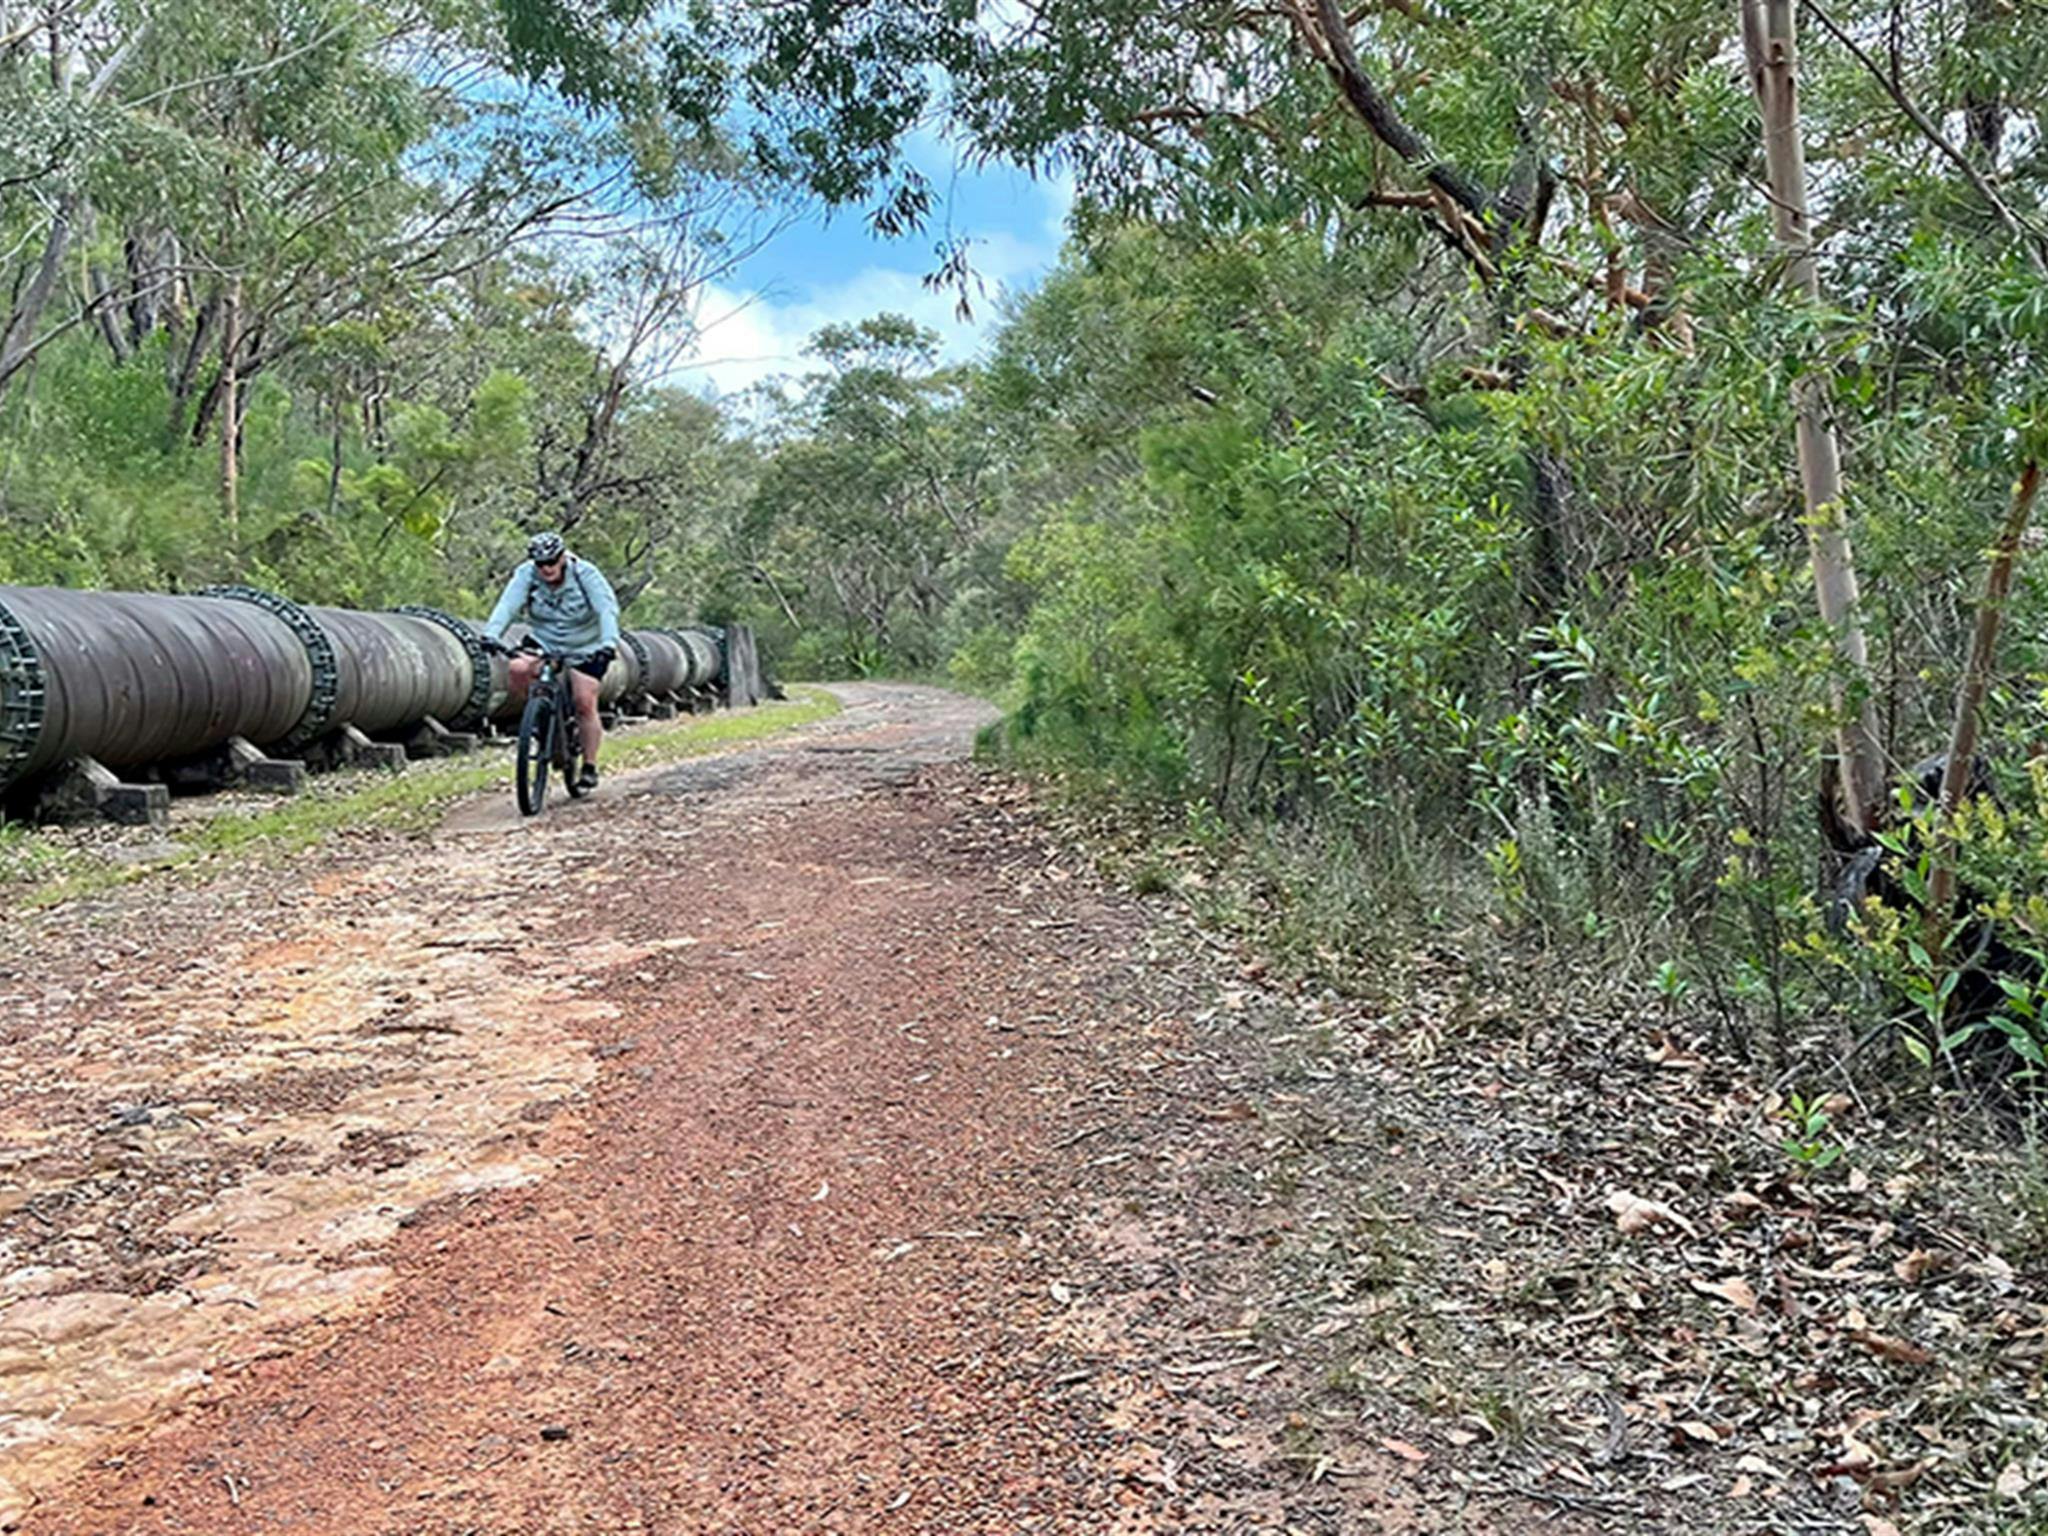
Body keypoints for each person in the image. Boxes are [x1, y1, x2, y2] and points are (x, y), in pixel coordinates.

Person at [480, 531, 621, 791]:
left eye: (552, 562)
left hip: (585, 645)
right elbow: (507, 605)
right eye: (541, 564)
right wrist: (491, 633)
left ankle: (588, 765)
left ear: (563, 557)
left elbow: (606, 609)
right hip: (545, 640)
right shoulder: (526, 574)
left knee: (584, 701)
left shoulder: (585, 574)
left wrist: (608, 643)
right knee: (518, 668)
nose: (547, 569)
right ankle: (538, 717)